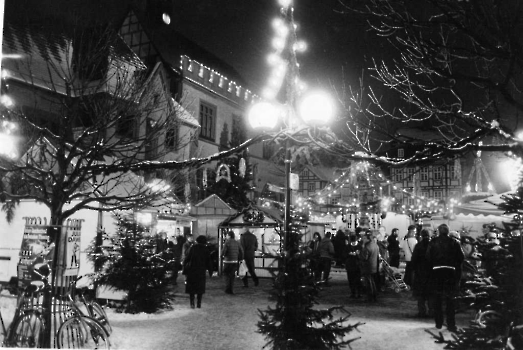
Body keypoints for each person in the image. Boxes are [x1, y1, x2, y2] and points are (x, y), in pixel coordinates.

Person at [426, 224, 464, 332]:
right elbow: (461, 257)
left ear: (438, 231)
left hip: (436, 271)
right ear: (447, 232)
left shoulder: (433, 242)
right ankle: (451, 324)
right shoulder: (454, 243)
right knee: (450, 299)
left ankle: (438, 322)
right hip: (450, 272)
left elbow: (428, 257)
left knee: (437, 298)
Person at [183, 235, 213, 309]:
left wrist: (184, 267)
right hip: (201, 270)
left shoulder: (193, 248)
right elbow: (209, 261)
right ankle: (199, 303)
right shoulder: (205, 249)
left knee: (192, 288)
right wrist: (210, 271)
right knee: (200, 288)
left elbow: (187, 258)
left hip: (192, 270)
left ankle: (192, 303)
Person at [410, 229, 433, 318]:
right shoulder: (432, 245)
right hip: (431, 273)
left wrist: (414, 269)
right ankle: (431, 311)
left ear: (421, 236)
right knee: (430, 294)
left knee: (421, 294)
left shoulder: (418, 246)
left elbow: (414, 260)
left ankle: (422, 311)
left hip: (420, 273)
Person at [359, 230, 379, 302]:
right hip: (374, 265)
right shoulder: (375, 245)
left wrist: (360, 254)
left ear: (367, 239)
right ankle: (374, 296)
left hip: (368, 266)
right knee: (372, 282)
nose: (363, 240)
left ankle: (370, 297)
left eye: (364, 238)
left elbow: (364, 257)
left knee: (368, 282)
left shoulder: (367, 247)